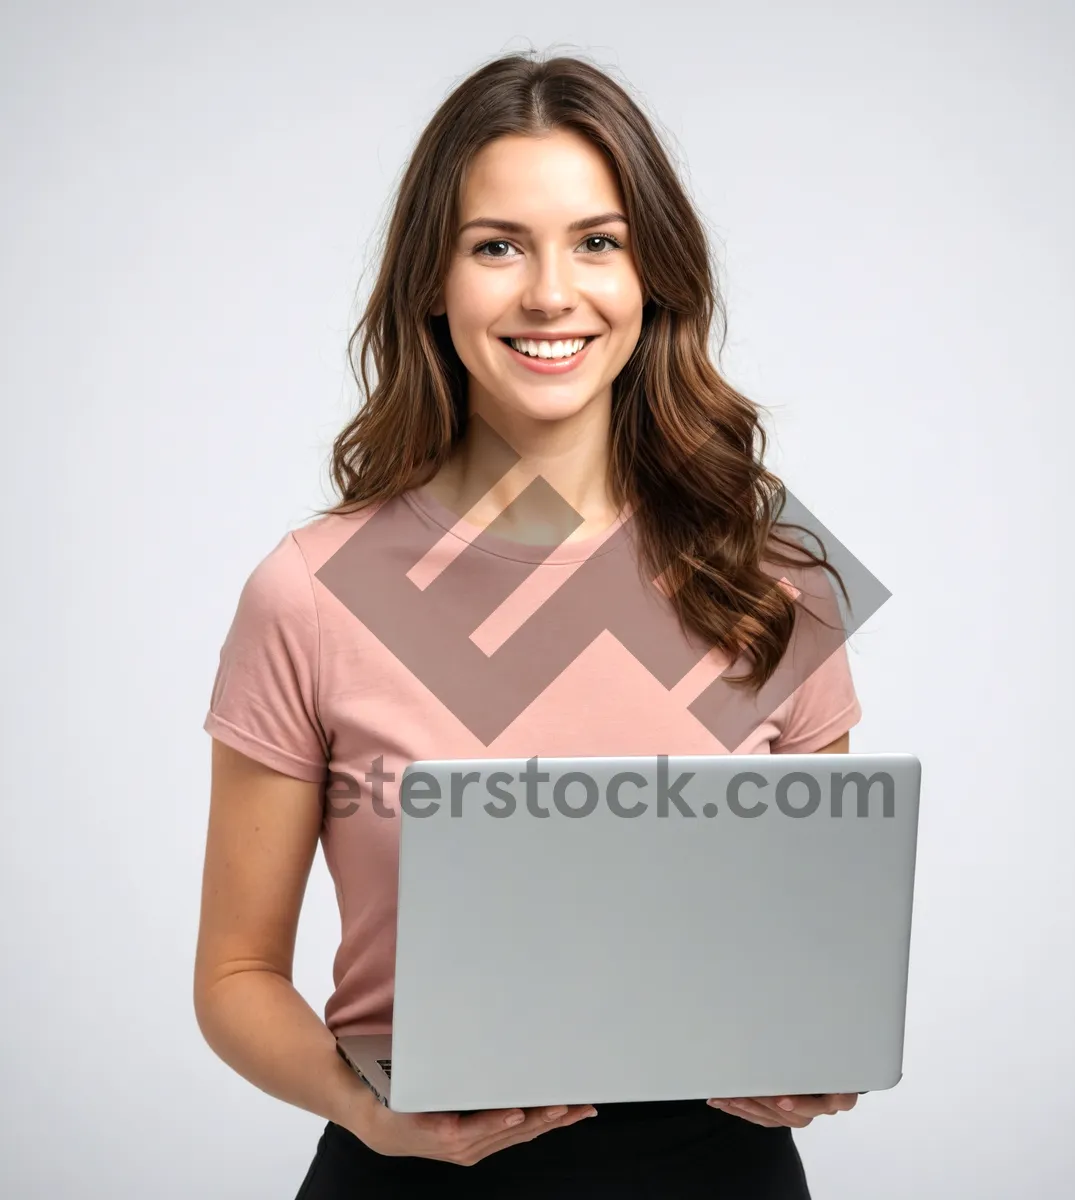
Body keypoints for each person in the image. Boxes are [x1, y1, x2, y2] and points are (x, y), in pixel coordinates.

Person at [194, 49, 864, 1199]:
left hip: (721, 1177)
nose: (551, 293)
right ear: (432, 283)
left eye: (597, 241)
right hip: (411, 1176)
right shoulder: (310, 589)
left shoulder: (777, 575)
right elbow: (237, 974)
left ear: (652, 277)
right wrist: (367, 1109)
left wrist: (828, 1054)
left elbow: (822, 958)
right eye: (497, 244)